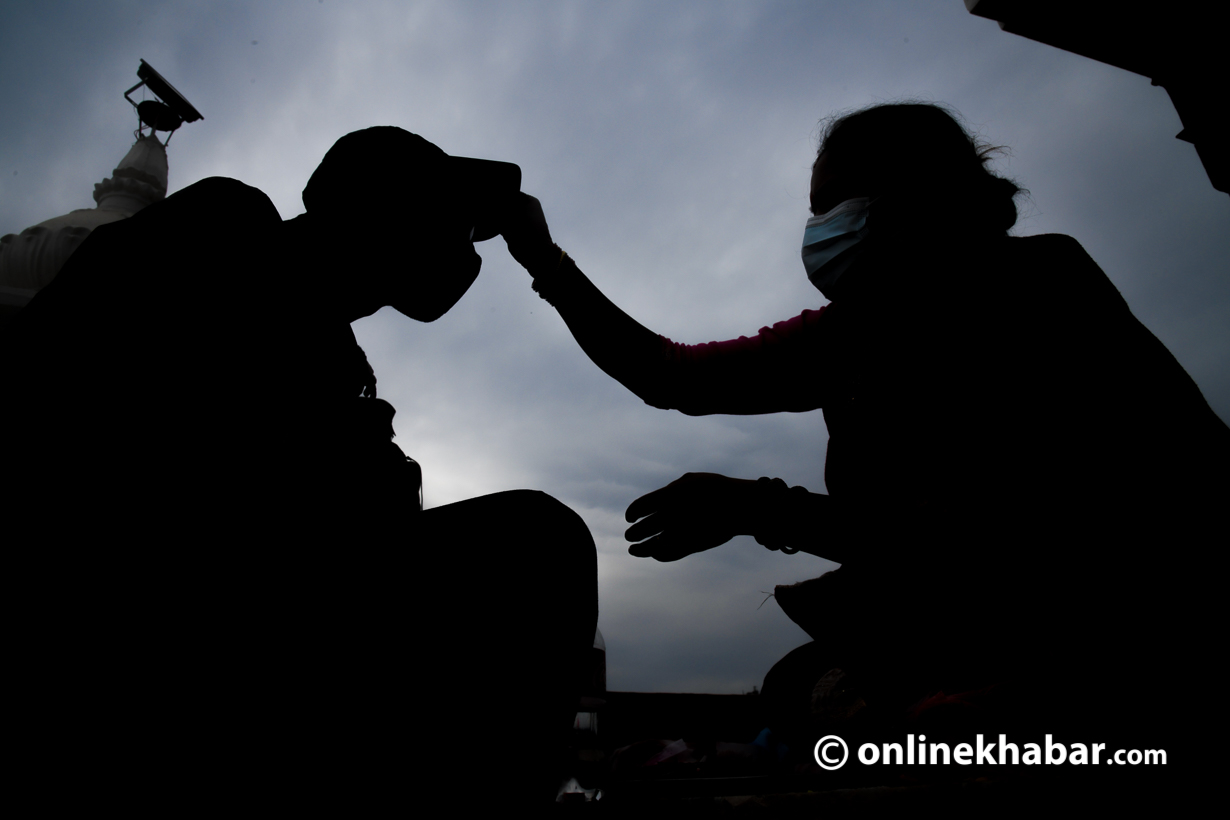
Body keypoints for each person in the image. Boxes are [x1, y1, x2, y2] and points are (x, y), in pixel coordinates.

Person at [500, 103, 1227, 777]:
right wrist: (543, 260)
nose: (820, 229)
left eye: (836, 206)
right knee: (802, 684)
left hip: (1121, 615)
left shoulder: (1041, 286)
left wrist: (759, 508)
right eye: (815, 211)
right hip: (976, 633)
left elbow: (993, 532)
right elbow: (670, 375)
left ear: (919, 199)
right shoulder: (850, 334)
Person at [3, 126, 597, 809]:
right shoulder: (231, 229)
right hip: (144, 623)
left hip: (257, 635)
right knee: (535, 541)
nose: (462, 245)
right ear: (378, 212)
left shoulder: (336, 353)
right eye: (447, 219)